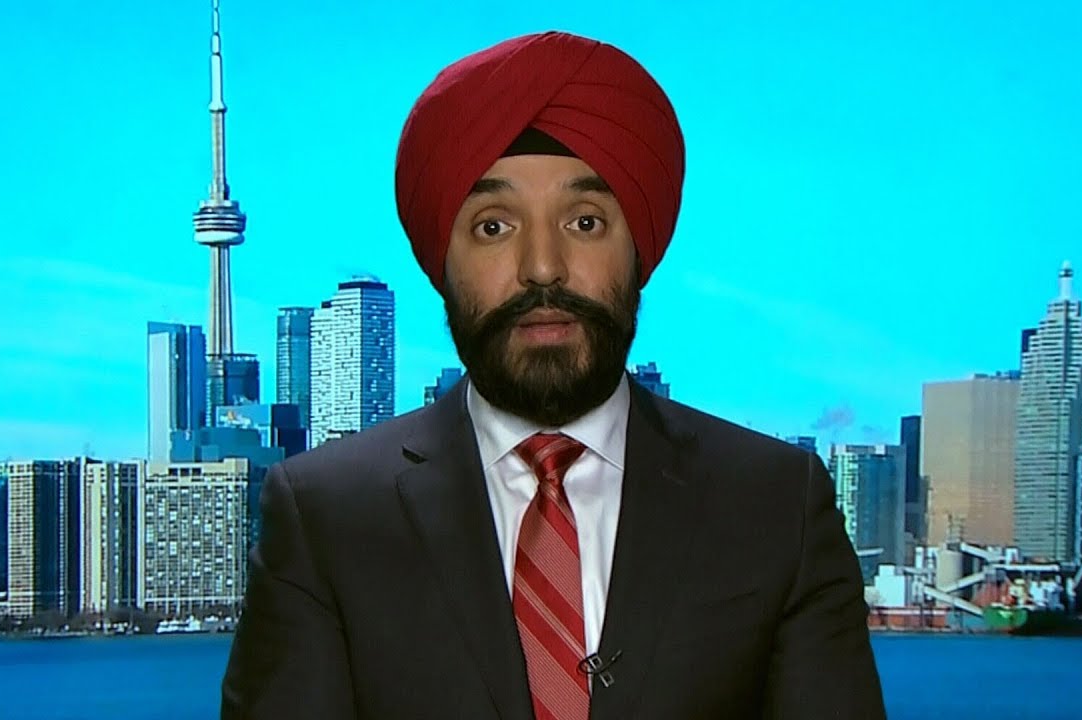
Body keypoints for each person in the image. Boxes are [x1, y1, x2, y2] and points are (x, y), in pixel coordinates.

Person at [221, 30, 886, 720]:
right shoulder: (325, 516)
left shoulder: (775, 506)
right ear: (441, 263)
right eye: (493, 227)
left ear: (639, 252)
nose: (543, 267)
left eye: (586, 222)